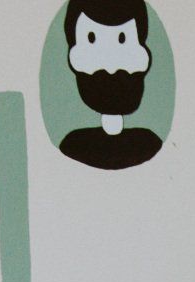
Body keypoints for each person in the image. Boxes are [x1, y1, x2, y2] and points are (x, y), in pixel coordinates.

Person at [57, 0, 163, 170]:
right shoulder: (74, 145)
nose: (110, 68)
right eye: (92, 38)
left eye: (122, 38)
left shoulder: (147, 143)